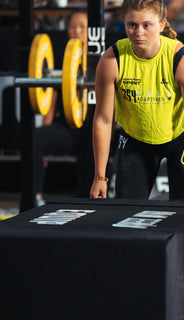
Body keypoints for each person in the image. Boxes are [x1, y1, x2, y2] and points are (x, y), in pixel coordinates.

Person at [90, 0, 184, 201]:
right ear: (124, 23)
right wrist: (100, 177)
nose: (139, 32)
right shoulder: (112, 60)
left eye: (147, 25)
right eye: (132, 25)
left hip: (179, 140)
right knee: (126, 216)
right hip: (134, 140)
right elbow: (103, 120)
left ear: (162, 24)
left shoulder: (181, 60)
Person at [34, 9, 88, 206]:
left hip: (91, 130)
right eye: (73, 27)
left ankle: (88, 199)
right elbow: (53, 99)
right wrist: (42, 146)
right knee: (35, 137)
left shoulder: (102, 60)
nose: (77, 31)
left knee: (92, 140)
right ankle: (35, 197)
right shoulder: (63, 63)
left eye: (82, 26)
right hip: (66, 129)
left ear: (91, 31)